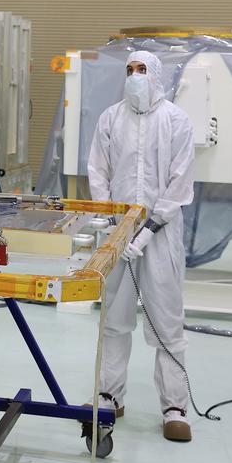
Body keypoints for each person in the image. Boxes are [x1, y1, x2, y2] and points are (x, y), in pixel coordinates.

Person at [87, 49, 195, 442]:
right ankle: (108, 395)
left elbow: (180, 182)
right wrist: (115, 221)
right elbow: (98, 170)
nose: (134, 75)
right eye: (130, 69)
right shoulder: (110, 118)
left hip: (161, 236)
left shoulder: (176, 120)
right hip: (119, 234)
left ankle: (174, 406)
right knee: (114, 318)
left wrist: (148, 228)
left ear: (156, 74)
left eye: (141, 69)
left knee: (165, 319)